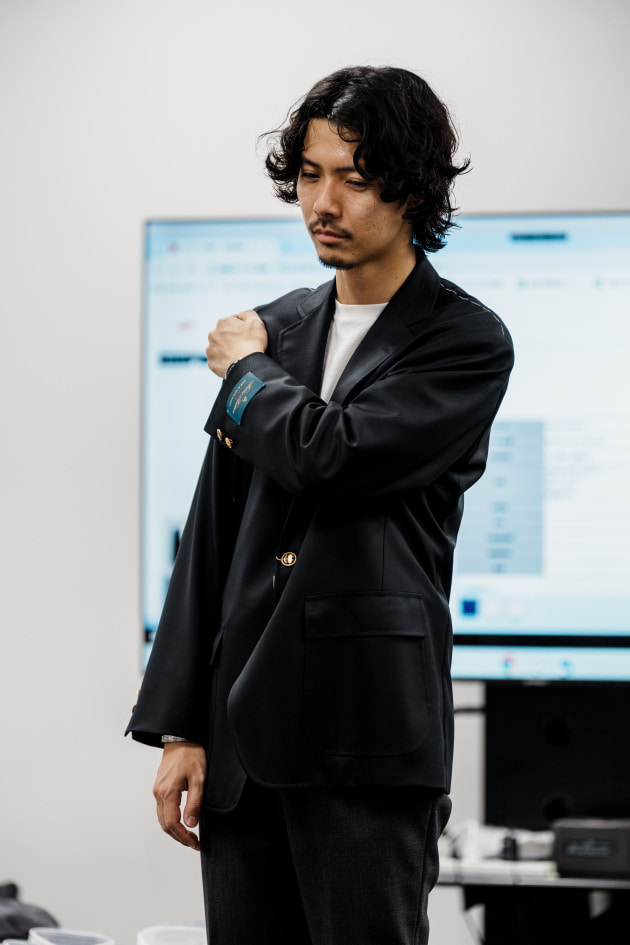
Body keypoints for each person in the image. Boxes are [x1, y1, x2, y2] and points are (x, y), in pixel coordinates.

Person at [126, 65, 514, 944]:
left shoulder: (464, 340)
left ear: (413, 190)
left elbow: (332, 458)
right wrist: (180, 726)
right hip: (241, 743)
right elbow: (211, 535)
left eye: (355, 178)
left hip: (367, 739)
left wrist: (245, 372)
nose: (322, 203)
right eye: (309, 175)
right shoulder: (278, 329)